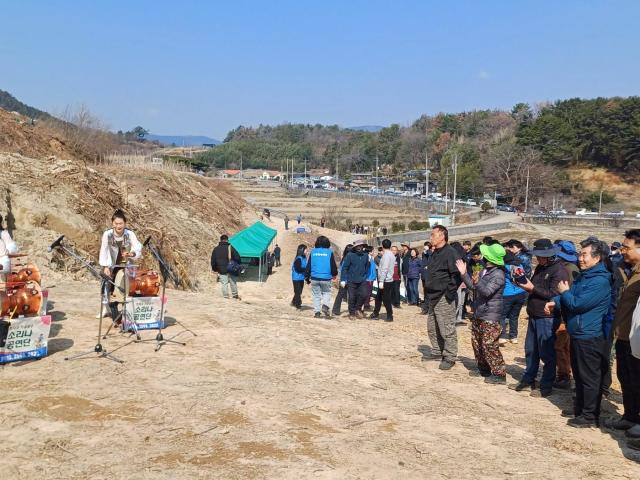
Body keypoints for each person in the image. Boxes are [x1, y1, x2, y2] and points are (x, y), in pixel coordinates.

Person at [544, 237, 612, 428]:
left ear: (597, 258)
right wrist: (555, 302)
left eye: (584, 255)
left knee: (589, 377)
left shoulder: (600, 281)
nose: (580, 258)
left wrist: (564, 293)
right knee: (580, 375)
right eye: (580, 254)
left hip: (589, 335)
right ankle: (580, 409)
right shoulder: (585, 276)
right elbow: (574, 296)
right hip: (578, 332)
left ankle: (590, 416)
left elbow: (577, 303)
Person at [509, 239, 569, 397]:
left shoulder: (559, 271)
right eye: (538, 256)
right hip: (534, 314)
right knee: (531, 350)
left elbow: (554, 295)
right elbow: (535, 288)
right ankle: (528, 379)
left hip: (547, 317)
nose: (538, 259)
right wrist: (524, 285)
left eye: (542, 256)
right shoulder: (541, 267)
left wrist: (532, 288)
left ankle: (546, 385)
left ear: (550, 255)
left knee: (547, 352)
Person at [456, 243, 507, 383]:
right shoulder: (486, 270)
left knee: (489, 344)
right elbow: (473, 286)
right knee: (477, 342)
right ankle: (483, 369)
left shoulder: (498, 274)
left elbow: (486, 291)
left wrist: (478, 282)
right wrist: (463, 273)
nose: (481, 257)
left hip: (490, 314)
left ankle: (499, 374)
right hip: (480, 312)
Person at [609, 229, 640, 439]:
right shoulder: (631, 270)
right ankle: (629, 416)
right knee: (625, 377)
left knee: (637, 380)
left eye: (627, 247)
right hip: (623, 335)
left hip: (635, 338)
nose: (623, 251)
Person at [423, 225, 462, 370]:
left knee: (446, 328)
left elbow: (456, 275)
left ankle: (450, 356)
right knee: (432, 327)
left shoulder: (450, 253)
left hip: (444, 296)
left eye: (433, 234)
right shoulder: (435, 253)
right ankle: (437, 350)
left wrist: (449, 293)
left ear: (442, 236)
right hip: (433, 295)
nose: (430, 237)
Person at [99, 209, 143, 319]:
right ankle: (105, 308)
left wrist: (132, 253)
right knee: (106, 283)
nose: (119, 226)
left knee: (127, 286)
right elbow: (103, 250)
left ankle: (127, 310)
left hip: (126, 263)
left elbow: (137, 247)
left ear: (125, 223)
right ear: (112, 223)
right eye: (116, 223)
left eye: (121, 223)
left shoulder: (130, 234)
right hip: (111, 263)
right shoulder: (107, 234)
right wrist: (105, 266)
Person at [553, 240, 580, 389]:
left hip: (565, 315)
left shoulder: (568, 270)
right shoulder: (571, 268)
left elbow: (566, 294)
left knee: (561, 346)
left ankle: (564, 376)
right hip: (566, 314)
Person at [305, 235, 338, 318]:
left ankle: (317, 313)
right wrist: (334, 274)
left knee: (316, 295)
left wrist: (307, 277)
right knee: (326, 292)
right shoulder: (329, 252)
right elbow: (333, 265)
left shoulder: (313, 252)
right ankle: (325, 306)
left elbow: (309, 265)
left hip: (314, 277)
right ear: (327, 243)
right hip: (326, 278)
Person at [500, 251, 527, 345]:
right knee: (514, 316)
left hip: (507, 294)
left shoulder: (504, 267)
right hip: (521, 292)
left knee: (502, 316)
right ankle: (513, 336)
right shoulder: (520, 266)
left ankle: (502, 336)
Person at [343, 240, 371, 319]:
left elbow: (367, 266)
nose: (359, 247)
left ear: (363, 247)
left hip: (362, 279)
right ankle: (351, 313)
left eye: (361, 246)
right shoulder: (350, 255)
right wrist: (343, 279)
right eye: (357, 246)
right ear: (355, 247)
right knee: (352, 297)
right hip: (351, 280)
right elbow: (345, 268)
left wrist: (365, 275)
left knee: (364, 294)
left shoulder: (366, 255)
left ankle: (357, 309)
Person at [211, 234, 242, 300]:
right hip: (231, 268)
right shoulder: (230, 247)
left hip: (221, 269)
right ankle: (235, 296)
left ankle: (225, 297)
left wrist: (214, 268)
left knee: (224, 283)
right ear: (227, 240)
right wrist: (237, 264)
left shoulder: (216, 249)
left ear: (220, 240)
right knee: (233, 282)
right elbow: (238, 257)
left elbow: (213, 260)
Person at [370, 239, 395, 321]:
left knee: (386, 298)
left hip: (385, 280)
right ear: (390, 245)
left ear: (382, 246)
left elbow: (384, 269)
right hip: (388, 279)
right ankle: (376, 313)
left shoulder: (386, 256)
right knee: (378, 297)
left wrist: (381, 281)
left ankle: (389, 315)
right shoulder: (391, 254)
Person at [332, 244, 353, 316]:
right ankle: (352, 311)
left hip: (343, 279)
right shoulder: (348, 258)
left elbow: (340, 270)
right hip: (348, 280)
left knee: (340, 295)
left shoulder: (344, 258)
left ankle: (335, 310)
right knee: (351, 295)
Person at [291, 244, 308, 309]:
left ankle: (293, 301)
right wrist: (306, 270)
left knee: (299, 292)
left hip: (301, 278)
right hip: (296, 278)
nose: (307, 251)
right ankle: (298, 304)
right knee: (297, 292)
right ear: (302, 250)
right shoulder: (298, 259)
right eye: (306, 249)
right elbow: (298, 269)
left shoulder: (304, 258)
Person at [364, 245, 378, 311]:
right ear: (370, 251)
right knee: (368, 292)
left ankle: (367, 303)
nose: (374, 252)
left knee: (369, 291)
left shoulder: (371, 258)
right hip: (368, 277)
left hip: (371, 277)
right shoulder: (368, 258)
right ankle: (366, 304)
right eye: (373, 250)